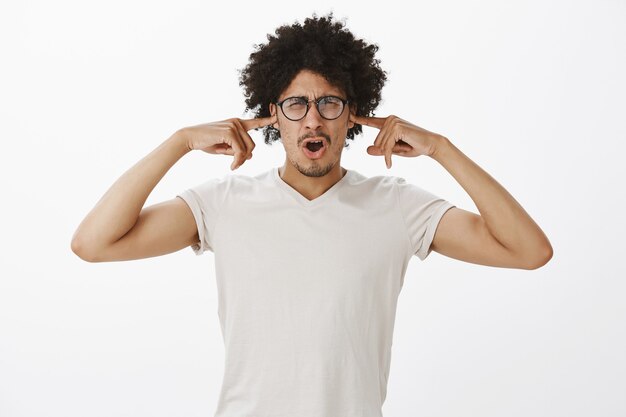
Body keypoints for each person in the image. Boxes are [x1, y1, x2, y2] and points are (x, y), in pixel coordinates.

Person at [71, 12, 553, 417]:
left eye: (329, 102)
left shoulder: (398, 205)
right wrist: (179, 142)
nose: (314, 119)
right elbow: (94, 243)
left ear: (353, 115)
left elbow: (529, 251)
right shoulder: (223, 203)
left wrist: (442, 150)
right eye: (296, 104)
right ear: (273, 115)